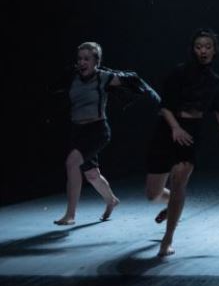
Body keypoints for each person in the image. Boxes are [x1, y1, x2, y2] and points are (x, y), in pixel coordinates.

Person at [145, 29, 219, 257]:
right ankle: (172, 204)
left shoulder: (215, 80)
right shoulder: (179, 72)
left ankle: (167, 240)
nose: (203, 51)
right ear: (193, 50)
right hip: (168, 129)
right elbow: (164, 106)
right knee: (152, 194)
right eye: (199, 47)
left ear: (214, 50)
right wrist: (175, 128)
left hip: (191, 132)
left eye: (208, 46)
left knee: (179, 183)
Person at [53, 41, 159, 226]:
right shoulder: (72, 77)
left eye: (87, 59)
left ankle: (70, 215)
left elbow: (133, 80)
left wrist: (155, 98)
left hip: (97, 130)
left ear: (96, 61)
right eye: (79, 59)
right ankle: (111, 200)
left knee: (72, 163)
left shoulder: (104, 77)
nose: (82, 62)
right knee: (92, 175)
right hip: (77, 131)